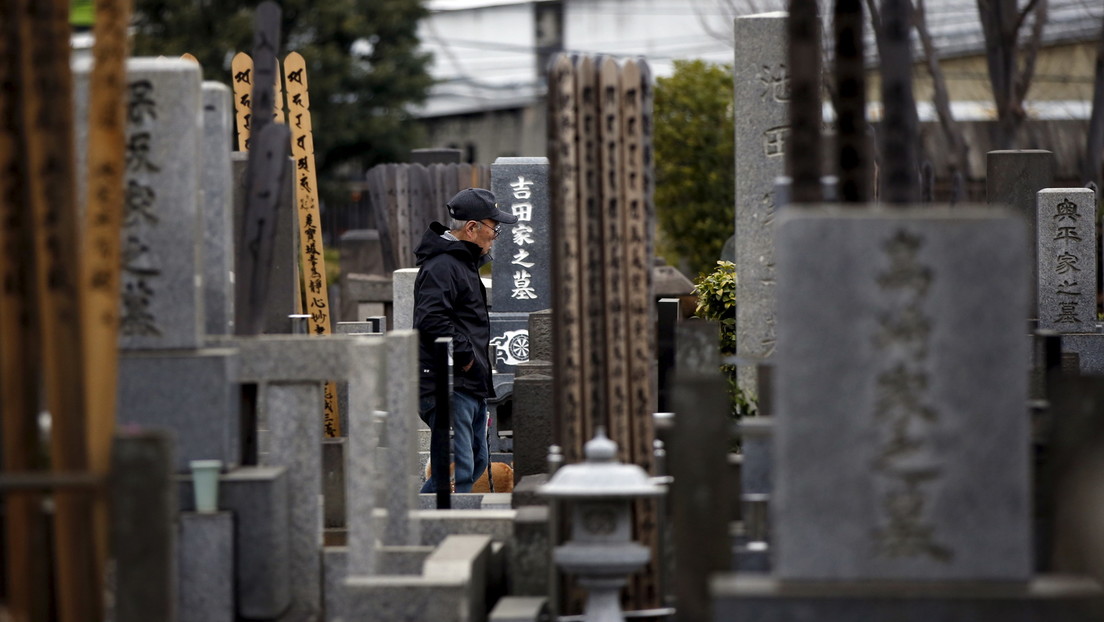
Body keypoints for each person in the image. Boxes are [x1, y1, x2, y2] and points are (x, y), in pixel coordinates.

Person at [414, 187, 518, 493]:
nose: (495, 235)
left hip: (466, 381)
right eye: (493, 227)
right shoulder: (443, 265)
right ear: (472, 228)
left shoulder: (460, 262)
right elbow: (431, 320)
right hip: (450, 382)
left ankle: (429, 520)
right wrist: (466, 356)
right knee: (460, 468)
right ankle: (431, 527)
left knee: (474, 463)